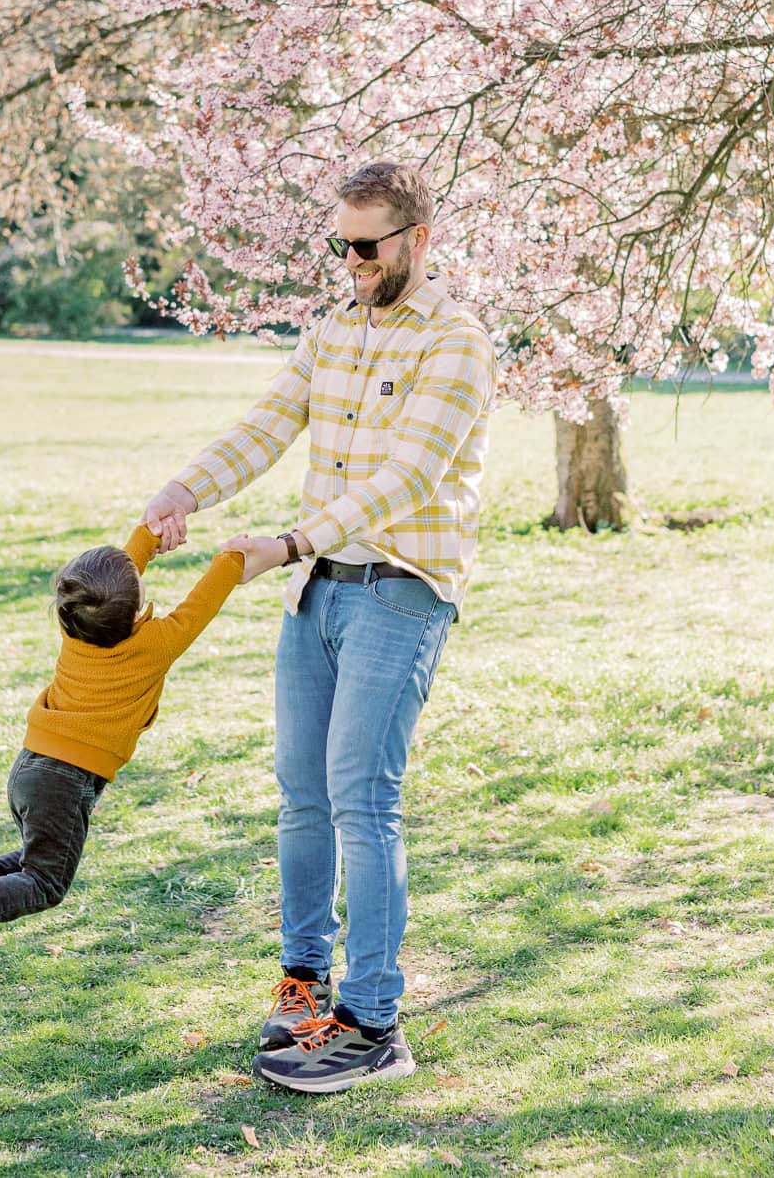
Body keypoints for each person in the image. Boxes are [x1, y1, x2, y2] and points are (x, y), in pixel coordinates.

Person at [143, 160, 497, 1093]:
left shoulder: (455, 342)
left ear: (417, 241)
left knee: (360, 798)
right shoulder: (337, 329)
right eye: (341, 242)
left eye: (367, 244)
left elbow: (408, 477)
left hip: (400, 589)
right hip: (318, 594)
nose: (351, 260)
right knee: (301, 795)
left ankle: (375, 1021)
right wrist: (186, 489)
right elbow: (269, 424)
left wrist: (290, 538)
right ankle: (305, 985)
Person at [0, 524, 254, 979]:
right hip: (65, 779)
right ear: (137, 613)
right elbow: (199, 607)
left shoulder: (75, 630)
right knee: (47, 881)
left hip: (30, 766)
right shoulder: (154, 646)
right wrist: (233, 557)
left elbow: (108, 585)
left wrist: (149, 535)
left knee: (43, 854)